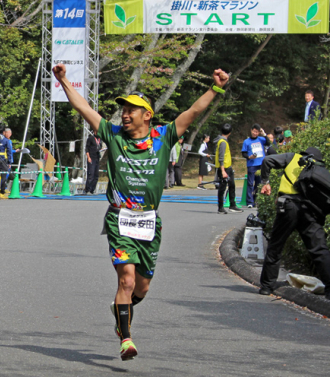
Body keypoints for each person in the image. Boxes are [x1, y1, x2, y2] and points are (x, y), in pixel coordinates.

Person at [53, 62, 229, 361]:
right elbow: (84, 108)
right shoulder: (113, 135)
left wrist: (216, 87)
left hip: (148, 220)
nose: (124, 113)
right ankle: (126, 338)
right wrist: (63, 80)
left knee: (142, 288)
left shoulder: (163, 137)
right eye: (123, 109)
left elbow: (193, 112)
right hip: (120, 218)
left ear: (147, 115)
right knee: (127, 281)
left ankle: (122, 310)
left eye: (131, 109)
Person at [258, 147, 330, 300]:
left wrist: (266, 182)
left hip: (288, 208)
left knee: (276, 245)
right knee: (319, 250)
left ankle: (266, 286)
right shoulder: (320, 169)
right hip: (310, 212)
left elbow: (267, 160)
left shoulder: (293, 157)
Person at [215, 124, 243, 214]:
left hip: (228, 167)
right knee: (222, 188)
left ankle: (232, 205)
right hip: (224, 168)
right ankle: (220, 207)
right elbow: (221, 157)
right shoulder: (222, 142)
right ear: (230, 132)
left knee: (232, 186)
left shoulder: (223, 141)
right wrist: (223, 170)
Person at [241, 124, 270, 208]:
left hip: (261, 164)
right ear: (251, 130)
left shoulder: (261, 139)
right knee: (250, 183)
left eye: (257, 132)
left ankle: (256, 200)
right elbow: (244, 153)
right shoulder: (246, 141)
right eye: (254, 131)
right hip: (251, 164)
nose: (255, 133)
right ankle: (249, 201)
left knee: (259, 183)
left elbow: (268, 143)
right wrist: (249, 157)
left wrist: (264, 133)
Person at [85, 129, 101, 194]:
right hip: (91, 158)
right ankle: (87, 189)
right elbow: (87, 148)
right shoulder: (91, 139)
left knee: (96, 175)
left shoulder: (100, 139)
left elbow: (99, 147)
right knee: (91, 174)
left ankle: (92, 189)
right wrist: (88, 157)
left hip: (97, 158)